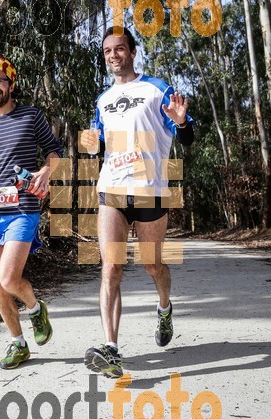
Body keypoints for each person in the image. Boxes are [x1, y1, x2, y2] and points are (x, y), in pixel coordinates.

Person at [82, 27, 194, 378]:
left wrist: (179, 122)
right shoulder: (101, 100)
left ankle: (164, 307)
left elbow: (186, 136)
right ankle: (111, 349)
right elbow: (98, 145)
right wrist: (91, 144)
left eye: (119, 49)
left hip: (150, 189)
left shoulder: (157, 88)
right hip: (112, 188)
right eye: (107, 51)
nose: (113, 55)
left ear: (132, 51)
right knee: (111, 267)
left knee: (152, 265)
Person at [0, 57, 63, 370]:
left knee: (8, 277)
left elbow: (55, 153)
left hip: (23, 208)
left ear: (11, 84)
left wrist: (47, 170)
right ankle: (18, 343)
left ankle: (34, 307)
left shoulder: (31, 117)